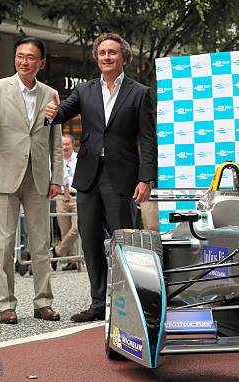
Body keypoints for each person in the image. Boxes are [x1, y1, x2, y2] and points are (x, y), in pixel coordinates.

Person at [51, 32, 157, 322]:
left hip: (122, 178)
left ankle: (128, 303)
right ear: (97, 58)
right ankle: (99, 303)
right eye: (102, 53)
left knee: (124, 241)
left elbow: (148, 140)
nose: (107, 57)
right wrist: (50, 111)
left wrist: (146, 179)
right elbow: (60, 114)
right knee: (89, 241)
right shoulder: (84, 91)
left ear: (124, 58)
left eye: (112, 52)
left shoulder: (140, 92)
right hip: (87, 177)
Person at [0, 36, 64, 325]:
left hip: (38, 178)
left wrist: (56, 177)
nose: (24, 61)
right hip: (5, 177)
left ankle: (43, 302)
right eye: (20, 56)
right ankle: (6, 305)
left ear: (41, 63)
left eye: (30, 57)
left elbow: (55, 141)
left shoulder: (51, 94)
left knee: (41, 243)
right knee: (4, 245)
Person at [52, 134, 79, 271]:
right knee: (65, 230)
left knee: (76, 228)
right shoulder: (56, 161)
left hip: (76, 196)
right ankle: (72, 260)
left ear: (73, 145)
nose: (64, 147)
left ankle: (57, 251)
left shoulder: (79, 159)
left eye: (67, 144)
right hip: (61, 197)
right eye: (62, 144)